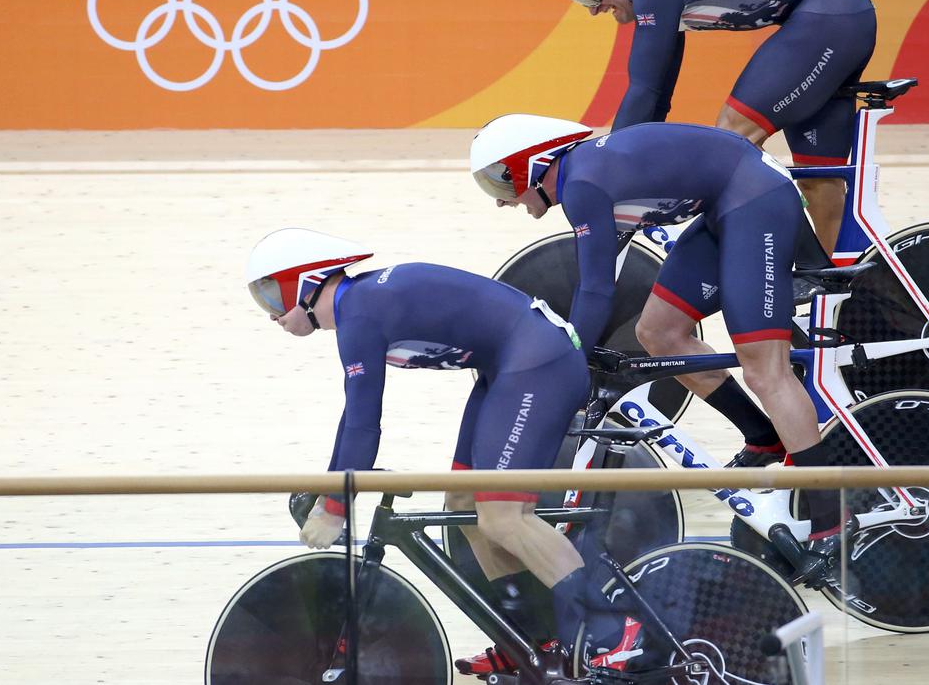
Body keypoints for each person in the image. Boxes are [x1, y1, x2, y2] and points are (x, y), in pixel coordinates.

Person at [245, 228, 641, 676]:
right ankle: (531, 642)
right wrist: (328, 490)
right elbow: (350, 421)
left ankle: (614, 631)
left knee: (504, 515)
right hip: (510, 363)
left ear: (305, 282)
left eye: (272, 297)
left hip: (538, 360)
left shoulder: (358, 313)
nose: (272, 315)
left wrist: (335, 505)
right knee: (464, 505)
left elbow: (362, 422)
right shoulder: (357, 309)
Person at [470, 114, 851, 577]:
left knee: (764, 368)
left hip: (754, 203)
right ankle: (764, 438)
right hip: (728, 203)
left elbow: (595, 290)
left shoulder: (582, 185)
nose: (501, 202)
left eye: (501, 182)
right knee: (659, 332)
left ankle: (832, 523)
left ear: (533, 163)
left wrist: (566, 362)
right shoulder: (583, 176)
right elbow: (598, 281)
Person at [550, 0, 874, 456]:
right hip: (830, 14)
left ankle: (787, 279)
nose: (591, 9)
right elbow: (657, 95)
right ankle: (842, 311)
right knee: (821, 186)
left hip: (828, 14)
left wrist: (610, 172)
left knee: (730, 145)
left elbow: (646, 89)